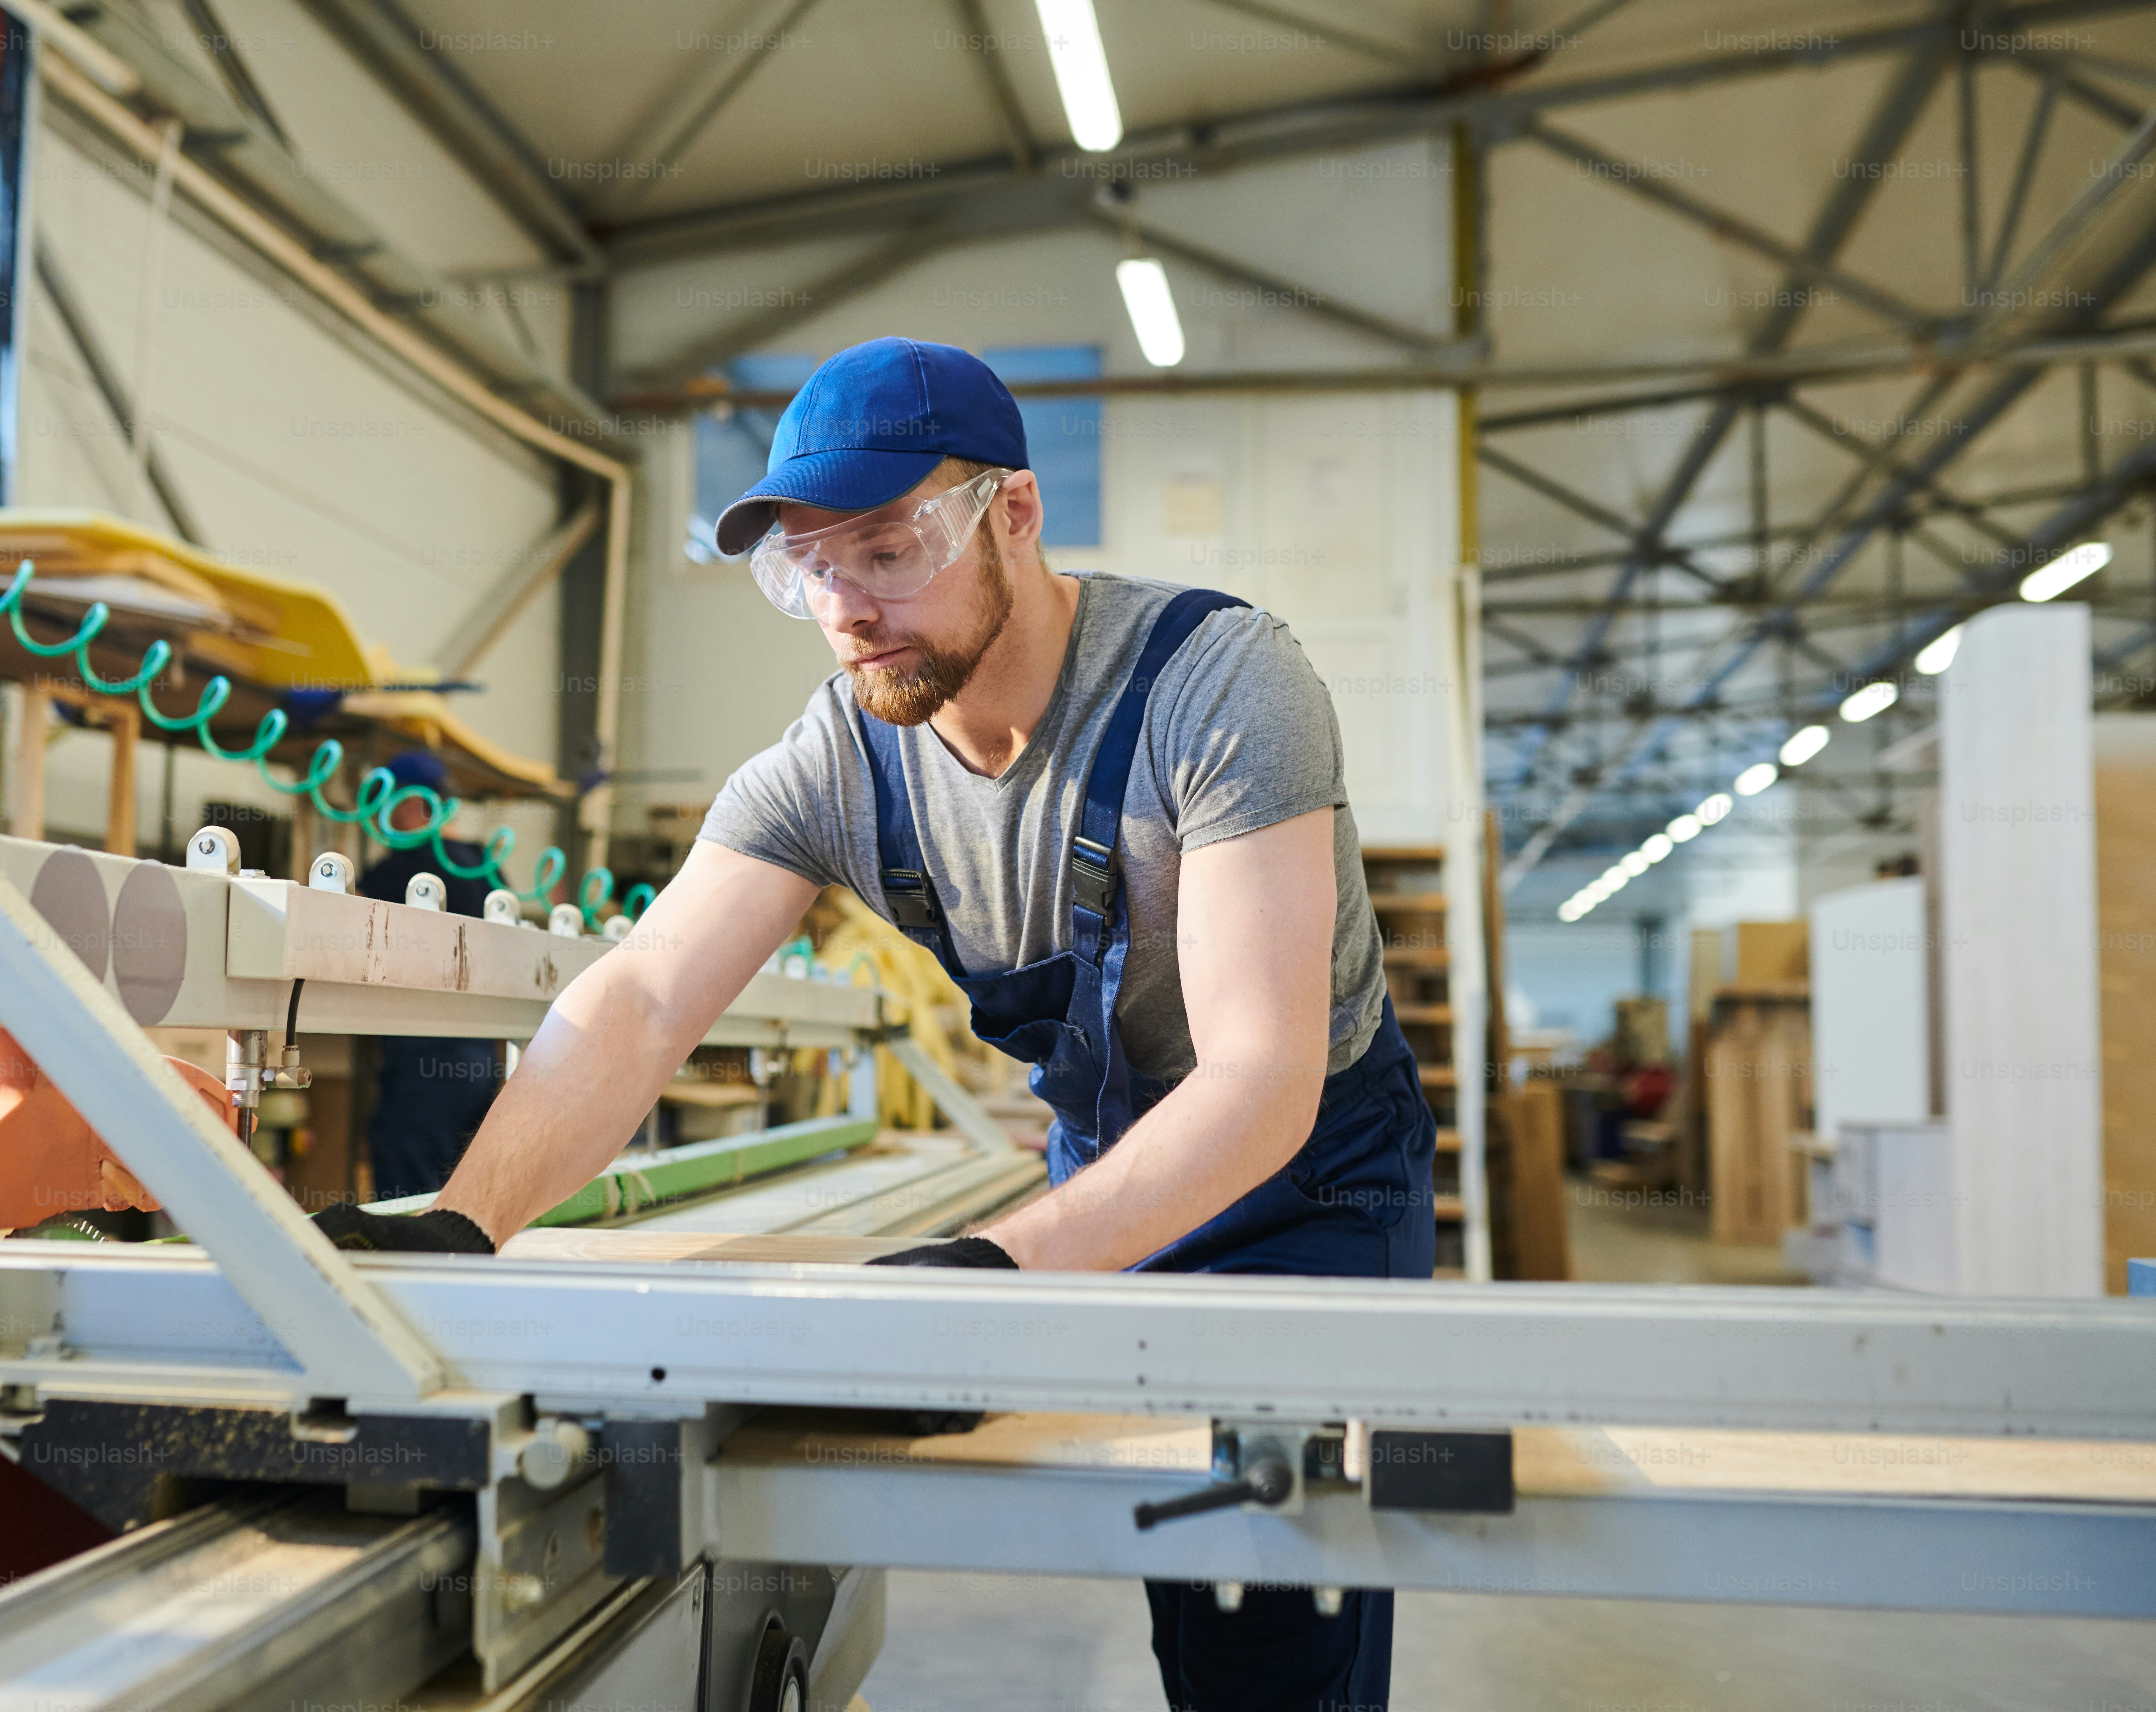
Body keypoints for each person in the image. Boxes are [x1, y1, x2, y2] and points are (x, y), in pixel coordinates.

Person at [315, 337, 1433, 1711]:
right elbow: (643, 993)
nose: (848, 604)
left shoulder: (1220, 688)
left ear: (1012, 514)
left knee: (1272, 1579)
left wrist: (991, 1271)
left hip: (1311, 1175)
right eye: (810, 566)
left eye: (889, 549)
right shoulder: (841, 756)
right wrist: (460, 1226)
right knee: (1190, 1569)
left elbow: (1263, 1080)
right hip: (1118, 1162)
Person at [353, 750, 502, 1202]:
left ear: (416, 805)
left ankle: (409, 1269)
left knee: (408, 1180)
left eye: (390, 806)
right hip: (481, 1054)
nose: (382, 819)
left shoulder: (397, 870)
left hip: (424, 1058)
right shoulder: (484, 868)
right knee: (463, 1189)